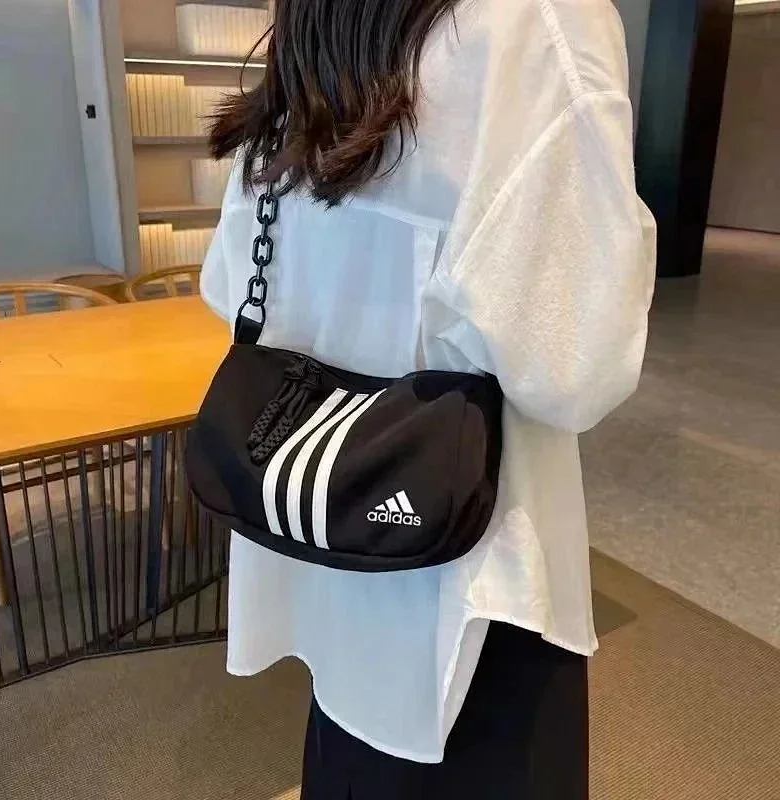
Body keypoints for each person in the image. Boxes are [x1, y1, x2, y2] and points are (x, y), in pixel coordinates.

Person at [200, 0, 656, 796]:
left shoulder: (317, 24)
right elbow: (577, 368)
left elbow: (230, 280)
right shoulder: (542, 21)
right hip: (471, 570)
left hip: (324, 551)